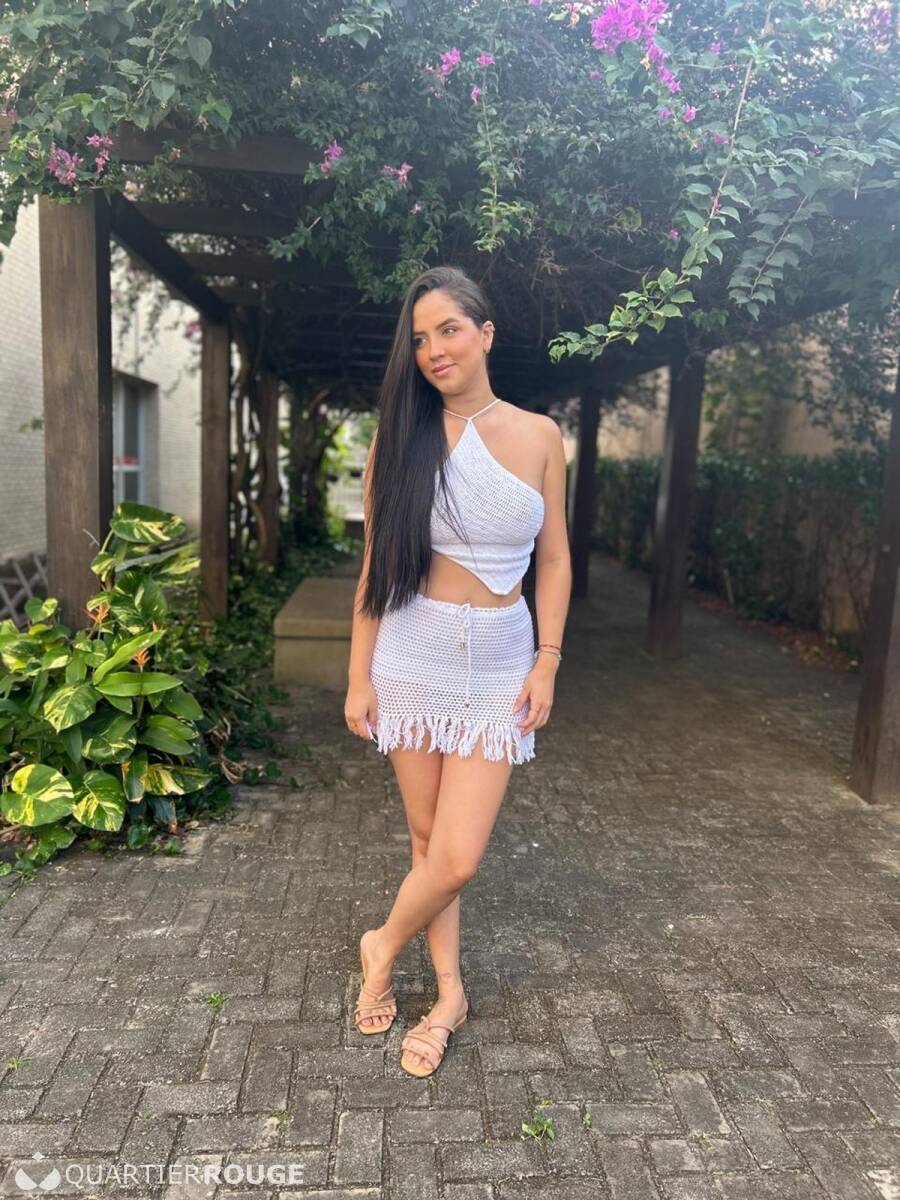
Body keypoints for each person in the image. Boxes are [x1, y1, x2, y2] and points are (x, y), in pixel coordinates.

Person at [344, 264, 572, 1078]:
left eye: (448, 329)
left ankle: (380, 944)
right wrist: (358, 677)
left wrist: (548, 660)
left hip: (503, 659)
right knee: (428, 841)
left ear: (485, 333)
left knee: (458, 855)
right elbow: (375, 568)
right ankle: (448, 996)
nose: (434, 349)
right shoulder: (400, 439)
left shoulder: (540, 436)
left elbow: (555, 561)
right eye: (419, 338)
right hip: (413, 651)